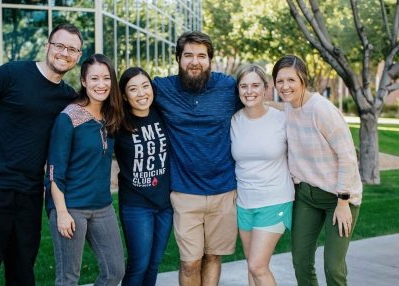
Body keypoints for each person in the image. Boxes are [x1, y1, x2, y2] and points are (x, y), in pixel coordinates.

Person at [0, 24, 83, 286]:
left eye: (72, 49)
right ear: (48, 46)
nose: (64, 53)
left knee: (22, 271)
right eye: (60, 45)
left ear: (78, 56)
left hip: (29, 193)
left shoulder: (69, 99)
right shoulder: (13, 73)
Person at [153, 31, 241, 286]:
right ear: (178, 59)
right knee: (190, 261)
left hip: (224, 191)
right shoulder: (162, 88)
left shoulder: (227, 88)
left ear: (210, 60)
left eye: (201, 56)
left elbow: (258, 106)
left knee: (213, 256)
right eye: (188, 55)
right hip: (184, 193)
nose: (195, 61)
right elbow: (128, 95)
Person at [272, 55, 362, 286]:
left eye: (291, 80)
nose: (285, 86)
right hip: (306, 197)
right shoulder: (289, 109)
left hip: (338, 198)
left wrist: (343, 202)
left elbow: (347, 155)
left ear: (303, 79)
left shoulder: (321, 109)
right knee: (301, 262)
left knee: (333, 268)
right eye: (279, 81)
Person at [45, 54, 125, 286]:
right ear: (83, 81)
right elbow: (54, 170)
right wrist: (61, 212)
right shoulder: (68, 117)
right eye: (94, 78)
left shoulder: (110, 116)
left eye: (106, 78)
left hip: (102, 206)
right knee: (69, 278)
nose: (101, 84)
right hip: (71, 207)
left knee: (114, 271)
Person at [230, 64, 294, 286]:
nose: (250, 91)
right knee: (252, 265)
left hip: (275, 200)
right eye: (244, 86)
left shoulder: (282, 118)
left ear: (266, 88)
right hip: (245, 202)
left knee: (257, 266)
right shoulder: (234, 120)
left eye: (256, 85)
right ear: (238, 89)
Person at [115, 67, 173, 286]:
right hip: (136, 204)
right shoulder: (119, 121)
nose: (141, 93)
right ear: (124, 95)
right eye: (133, 89)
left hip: (165, 203)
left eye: (145, 86)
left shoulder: (162, 113)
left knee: (154, 264)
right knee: (139, 264)